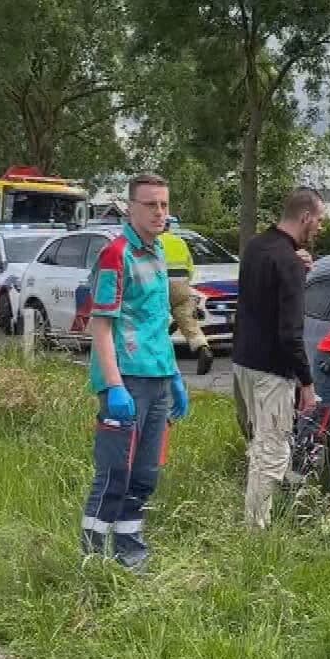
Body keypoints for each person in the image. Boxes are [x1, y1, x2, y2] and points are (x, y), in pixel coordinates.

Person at [79, 174, 190, 572]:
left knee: (144, 477)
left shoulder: (158, 252)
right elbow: (101, 326)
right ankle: (91, 563)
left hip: (158, 379)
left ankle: (130, 556)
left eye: (164, 204)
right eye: (150, 205)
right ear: (131, 207)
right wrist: (113, 387)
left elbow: (157, 323)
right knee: (114, 476)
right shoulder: (117, 254)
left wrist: (174, 375)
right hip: (126, 382)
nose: (160, 212)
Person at [233, 187, 326, 527]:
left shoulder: (257, 247)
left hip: (244, 362)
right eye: (319, 221)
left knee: (260, 445)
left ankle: (257, 517)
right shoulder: (288, 262)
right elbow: (290, 333)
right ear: (305, 218)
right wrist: (306, 381)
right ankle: (255, 532)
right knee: (273, 453)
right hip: (272, 370)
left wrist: (298, 262)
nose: (319, 228)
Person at [159, 216, 216, 376]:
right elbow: (190, 269)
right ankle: (202, 348)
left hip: (161, 286)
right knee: (188, 319)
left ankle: (161, 358)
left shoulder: (154, 242)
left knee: (156, 320)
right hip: (182, 285)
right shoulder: (180, 242)